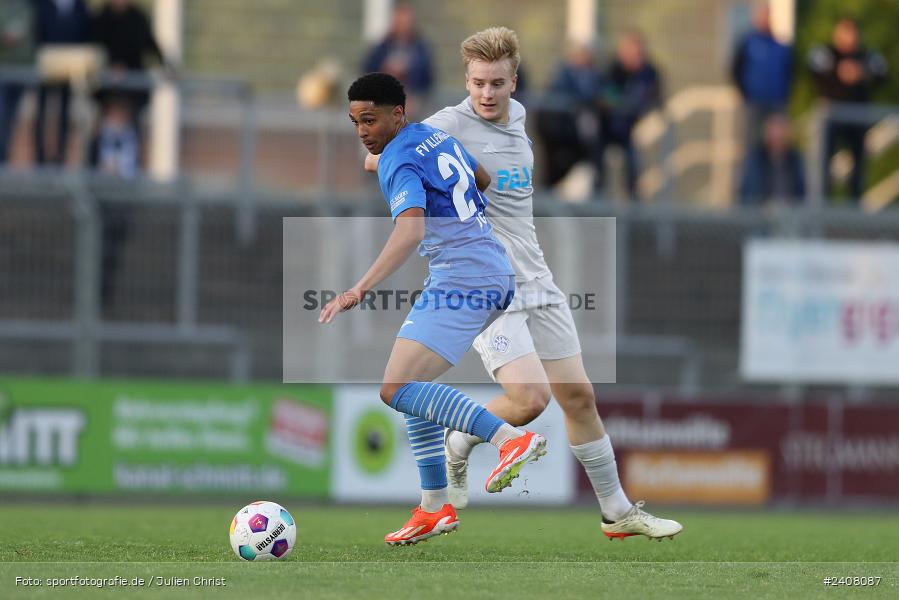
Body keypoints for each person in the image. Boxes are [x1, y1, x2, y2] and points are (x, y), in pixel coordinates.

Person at [366, 28, 682, 541]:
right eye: (476, 83)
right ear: (465, 81)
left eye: (496, 82)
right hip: (485, 279)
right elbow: (381, 155)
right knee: (531, 399)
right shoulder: (446, 124)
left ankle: (617, 513)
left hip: (537, 276)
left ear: (514, 81)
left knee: (579, 396)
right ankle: (463, 440)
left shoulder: (520, 118)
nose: (486, 94)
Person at [322, 72, 546, 546]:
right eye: (355, 121)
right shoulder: (430, 135)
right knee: (411, 384)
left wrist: (358, 289)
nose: (362, 130)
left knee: (395, 387)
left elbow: (409, 232)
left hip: (464, 277)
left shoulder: (398, 157)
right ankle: (433, 507)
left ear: (396, 113)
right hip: (488, 269)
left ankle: (510, 440)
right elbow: (480, 178)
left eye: (370, 119)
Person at [809, 18, 888, 201]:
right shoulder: (827, 52)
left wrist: (860, 73)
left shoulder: (866, 55)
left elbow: (883, 73)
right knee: (825, 163)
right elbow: (813, 68)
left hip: (857, 120)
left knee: (858, 165)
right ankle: (823, 205)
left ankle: (854, 206)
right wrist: (839, 71)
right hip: (832, 119)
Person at [598, 31, 661, 200]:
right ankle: (599, 200)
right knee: (598, 162)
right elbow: (604, 98)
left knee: (633, 166)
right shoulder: (613, 70)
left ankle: (634, 206)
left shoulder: (649, 73)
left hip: (635, 131)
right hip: (609, 129)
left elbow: (654, 100)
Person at [536, 41, 603, 187]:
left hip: (575, 135)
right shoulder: (564, 76)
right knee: (555, 168)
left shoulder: (593, 76)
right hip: (559, 133)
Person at [33, 0, 90, 166]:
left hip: (69, 68)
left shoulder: (79, 6)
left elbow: (84, 33)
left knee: (65, 113)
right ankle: (40, 156)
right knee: (42, 111)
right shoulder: (41, 5)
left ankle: (61, 155)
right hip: (45, 66)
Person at [730, 4, 793, 150]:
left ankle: (773, 173)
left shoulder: (780, 46)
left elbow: (789, 73)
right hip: (753, 103)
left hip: (776, 103)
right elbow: (735, 69)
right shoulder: (747, 43)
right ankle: (750, 172)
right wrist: (743, 93)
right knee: (750, 144)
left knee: (776, 144)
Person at [361, 3, 433, 117]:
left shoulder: (420, 48)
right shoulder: (382, 47)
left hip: (412, 96)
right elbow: (368, 68)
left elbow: (427, 76)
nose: (402, 26)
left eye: (406, 22)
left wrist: (408, 68)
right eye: (399, 22)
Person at [739, 113, 805, 206]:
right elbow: (748, 194)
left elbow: (801, 194)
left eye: (780, 137)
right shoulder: (755, 160)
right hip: (760, 215)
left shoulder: (796, 160)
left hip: (790, 214)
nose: (777, 140)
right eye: (774, 137)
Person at [0, 0, 34, 164]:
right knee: (2, 115)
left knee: (12, 118)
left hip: (21, 71)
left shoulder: (26, 7)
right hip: (3, 71)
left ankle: (5, 156)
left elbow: (32, 39)